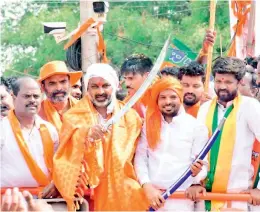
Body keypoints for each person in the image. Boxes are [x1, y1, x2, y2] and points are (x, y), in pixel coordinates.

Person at [51, 63, 149, 211]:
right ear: (87, 89)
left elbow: (141, 154)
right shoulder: (72, 117)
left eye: (105, 85)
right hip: (88, 196)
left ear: (115, 86)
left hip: (125, 191)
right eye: (94, 86)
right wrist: (86, 135)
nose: (100, 91)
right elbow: (65, 154)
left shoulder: (131, 117)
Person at [187, 57, 260, 211]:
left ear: (239, 82)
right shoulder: (205, 108)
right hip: (206, 197)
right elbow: (197, 151)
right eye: (219, 81)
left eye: (228, 82)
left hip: (238, 197)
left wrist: (259, 188)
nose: (222, 87)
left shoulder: (250, 107)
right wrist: (194, 182)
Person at [134, 77, 208, 211]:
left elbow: (202, 167)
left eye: (173, 97)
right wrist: (147, 186)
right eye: (162, 97)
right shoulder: (148, 125)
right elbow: (140, 158)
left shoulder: (196, 127)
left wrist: (196, 174)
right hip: (151, 198)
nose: (168, 102)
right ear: (157, 100)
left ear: (180, 97)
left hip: (181, 200)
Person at [0, 77, 58, 192]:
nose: (32, 100)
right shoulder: (2, 129)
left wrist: (56, 183)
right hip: (10, 201)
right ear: (13, 97)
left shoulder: (50, 129)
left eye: (36, 96)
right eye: (27, 96)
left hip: (46, 200)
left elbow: (59, 165)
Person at [38, 61, 82, 131]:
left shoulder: (83, 108)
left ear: (69, 83)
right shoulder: (37, 113)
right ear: (43, 87)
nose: (59, 88)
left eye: (63, 81)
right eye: (52, 83)